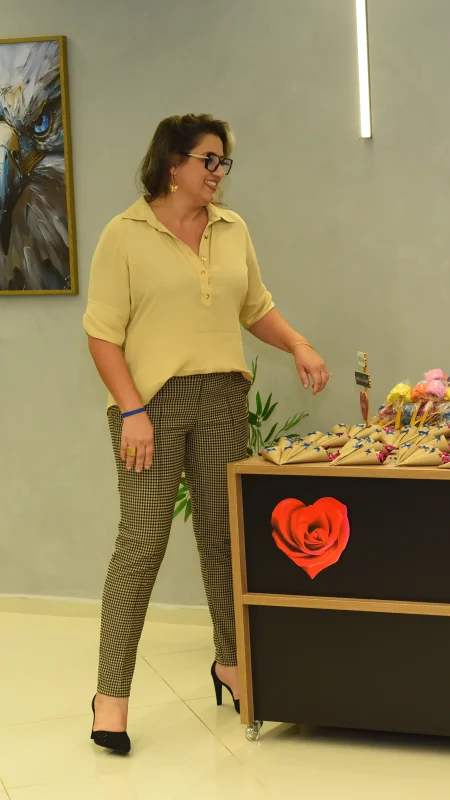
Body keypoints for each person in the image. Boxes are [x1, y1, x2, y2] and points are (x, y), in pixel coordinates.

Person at [82, 114, 328, 753]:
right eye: (208, 160)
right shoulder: (124, 233)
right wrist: (132, 411)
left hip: (222, 397)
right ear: (173, 164)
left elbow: (255, 307)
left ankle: (231, 664)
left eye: (224, 162)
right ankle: (110, 698)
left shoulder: (232, 228)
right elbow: (102, 335)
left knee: (225, 537)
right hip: (150, 408)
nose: (219, 172)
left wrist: (298, 344)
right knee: (142, 541)